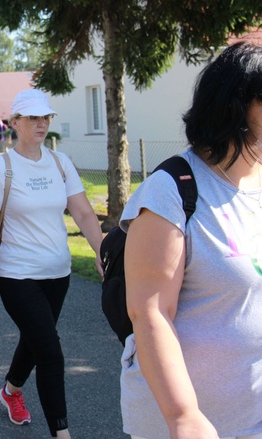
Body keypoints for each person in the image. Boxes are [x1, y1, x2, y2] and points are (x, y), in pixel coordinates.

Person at [120, 42, 262, 439]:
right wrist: (183, 416)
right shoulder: (170, 191)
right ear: (236, 105)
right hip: (180, 425)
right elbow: (151, 312)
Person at [0, 89, 103, 439]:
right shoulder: (1, 170)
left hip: (58, 274)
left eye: (45, 117)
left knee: (35, 340)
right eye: (32, 117)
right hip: (17, 275)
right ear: (14, 123)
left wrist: (103, 254)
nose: (41, 123)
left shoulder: (61, 163)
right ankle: (62, 433)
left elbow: (84, 213)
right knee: (50, 353)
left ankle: (10, 391)